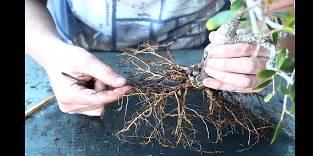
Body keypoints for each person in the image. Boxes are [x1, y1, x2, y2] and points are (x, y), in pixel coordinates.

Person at [26, 0, 294, 116]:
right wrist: (49, 51)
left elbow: (284, 10)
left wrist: (271, 40)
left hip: (208, 55)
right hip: (81, 55)